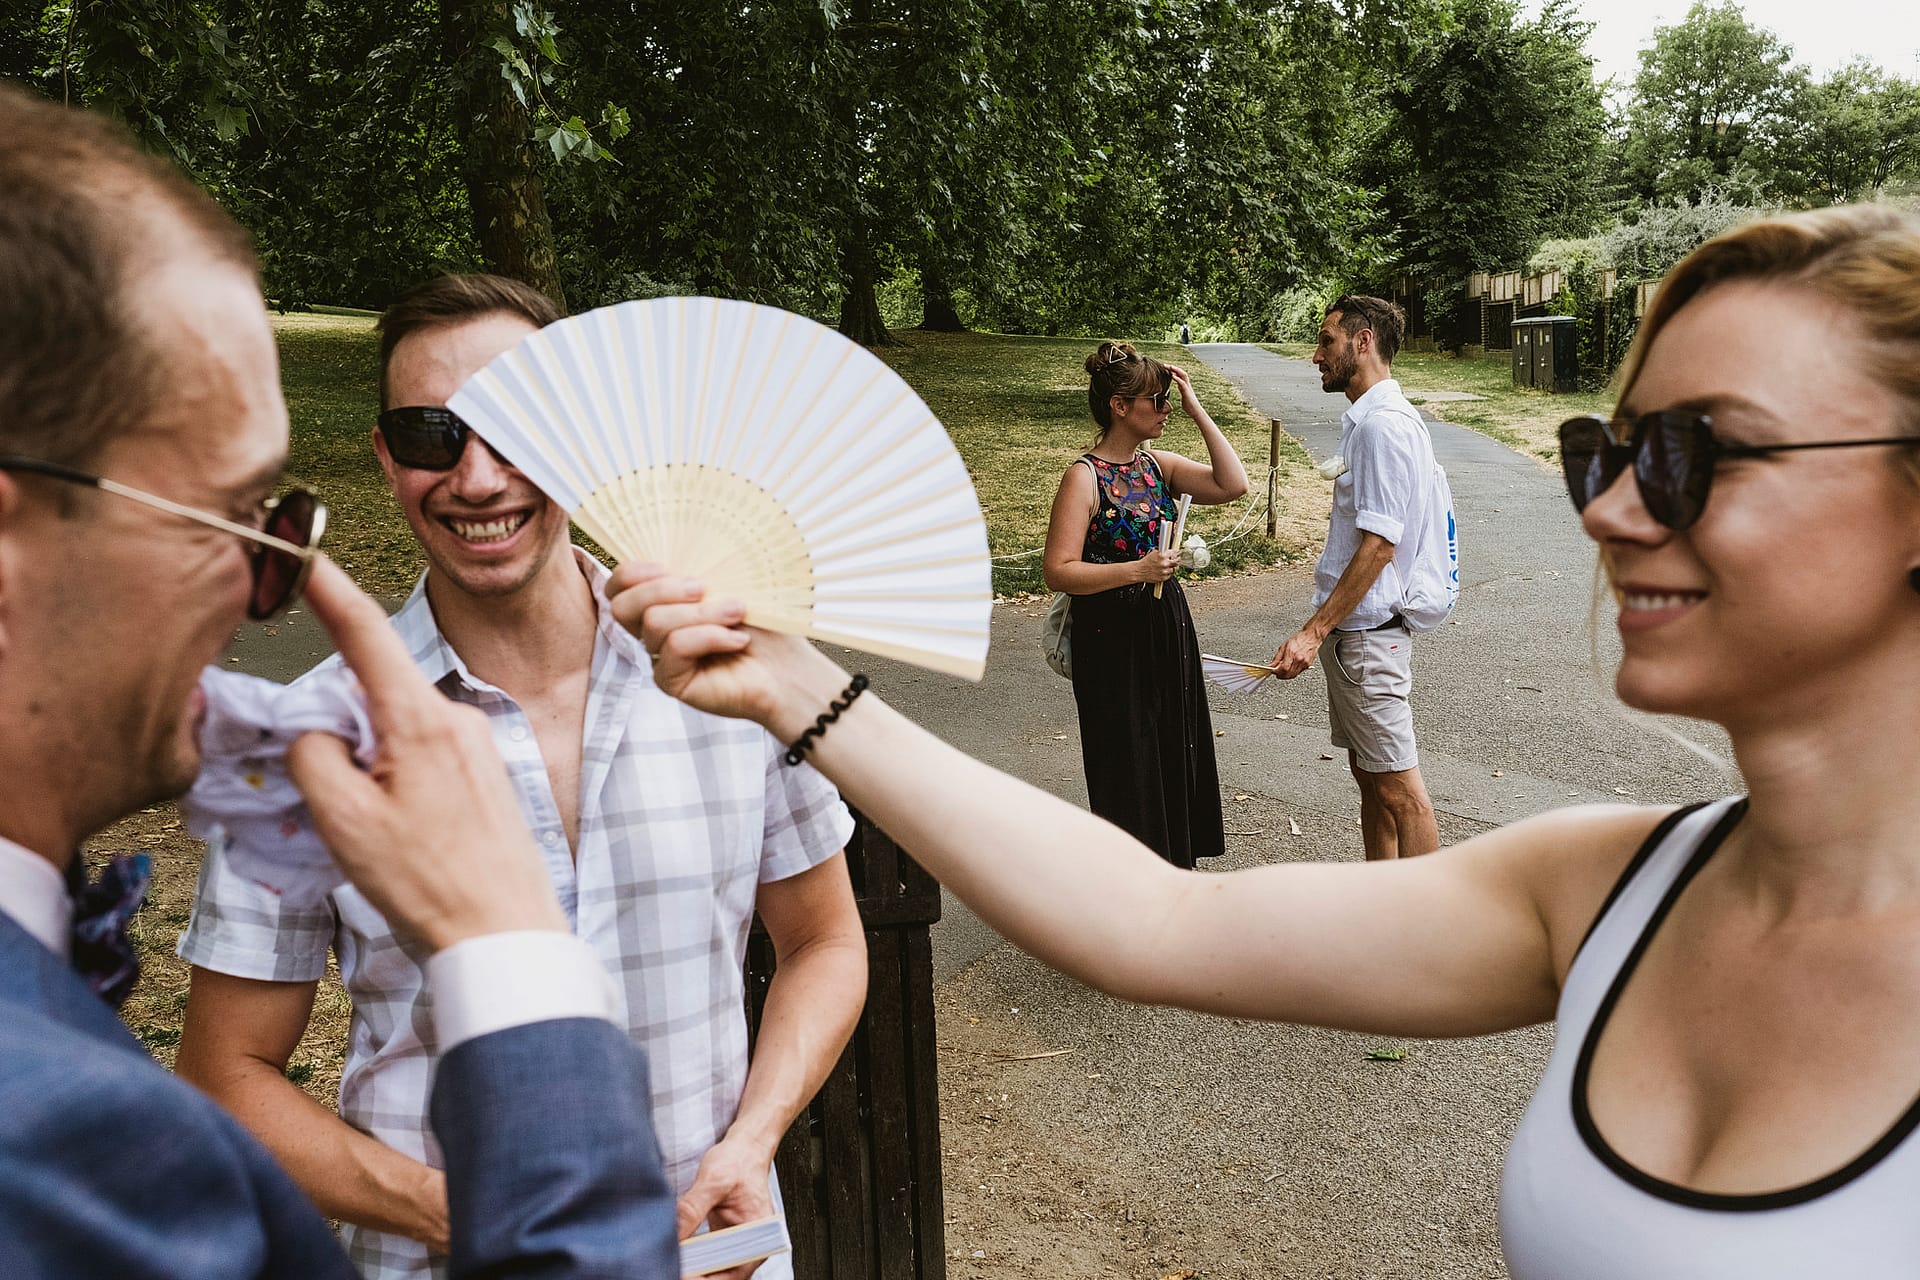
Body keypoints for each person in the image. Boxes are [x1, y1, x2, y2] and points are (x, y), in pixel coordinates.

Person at [611, 203, 1920, 1275]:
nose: (1616, 511)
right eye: (1609, 452)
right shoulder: (1610, 886)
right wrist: (798, 690)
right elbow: (1153, 925)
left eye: (1702, 452)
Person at [0, 87, 676, 1278]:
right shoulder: (57, 1148)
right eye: (235, 520)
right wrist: (506, 939)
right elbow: (228, 1069)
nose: (264, 591)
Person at [177, 274, 866, 1280]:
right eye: (430, 434)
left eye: (516, 425)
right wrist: (465, 1213)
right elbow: (224, 1072)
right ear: (385, 455)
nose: (479, 476)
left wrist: (750, 1140)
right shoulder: (311, 735)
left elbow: (824, 938)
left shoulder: (729, 671)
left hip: (718, 1256)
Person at [1042, 343, 1248, 867]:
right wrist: (1136, 570)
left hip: (1165, 627)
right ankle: (1131, 883)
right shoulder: (1084, 477)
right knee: (1126, 759)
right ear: (1119, 405)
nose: (1165, 409)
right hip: (1110, 639)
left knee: (1175, 747)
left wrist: (1197, 406)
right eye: (1156, 400)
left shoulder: (1156, 465)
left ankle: (1176, 871)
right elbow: (1058, 570)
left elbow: (1233, 484)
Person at [1270, 296, 1441, 860]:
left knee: (1401, 793)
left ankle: (1430, 937)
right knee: (1373, 781)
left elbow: (1379, 546)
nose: (1316, 355)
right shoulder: (1373, 420)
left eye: (1325, 341)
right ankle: (1381, 907)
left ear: (1362, 342)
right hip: (1358, 640)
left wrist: (1313, 631)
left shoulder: (1381, 428)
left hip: (1367, 639)